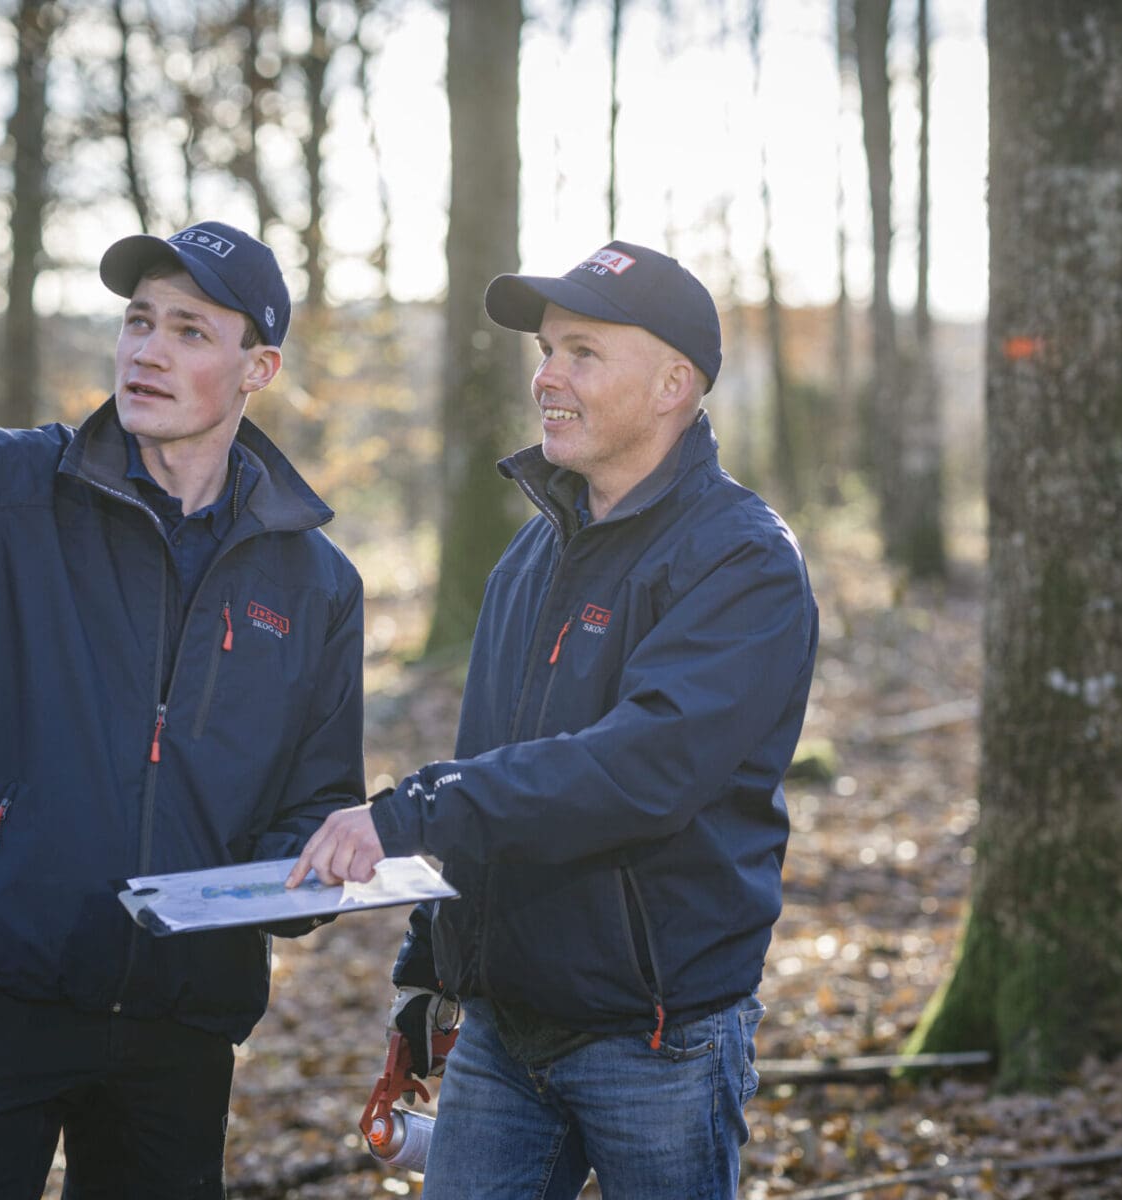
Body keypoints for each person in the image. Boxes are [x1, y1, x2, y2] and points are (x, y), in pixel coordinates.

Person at [0, 170, 364, 1199]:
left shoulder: (314, 583)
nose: (145, 350)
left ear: (256, 366)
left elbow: (310, 803)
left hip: (179, 1027)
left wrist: (313, 873)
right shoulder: (7, 486)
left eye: (187, 330)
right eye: (137, 322)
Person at [288, 240, 819, 1197]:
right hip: (502, 1027)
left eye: (582, 352)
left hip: (655, 1037)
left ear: (672, 383)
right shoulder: (529, 557)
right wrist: (430, 967)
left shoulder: (740, 559)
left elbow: (639, 770)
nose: (547, 379)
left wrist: (407, 812)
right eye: (545, 351)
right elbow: (497, 766)